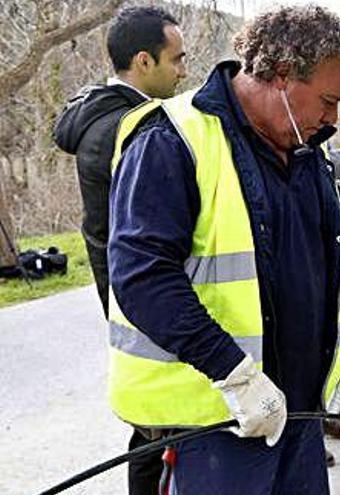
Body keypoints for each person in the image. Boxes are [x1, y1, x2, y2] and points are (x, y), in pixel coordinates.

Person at [107, 6, 340, 493]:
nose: (333, 119)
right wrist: (233, 374)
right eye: (327, 100)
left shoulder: (307, 149)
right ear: (280, 75)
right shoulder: (171, 138)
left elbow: (339, 259)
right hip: (221, 423)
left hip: (297, 414)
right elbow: (142, 276)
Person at [51, 7, 186, 494]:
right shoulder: (130, 127)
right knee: (157, 423)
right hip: (143, 290)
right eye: (177, 59)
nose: (184, 70)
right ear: (144, 61)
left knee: (158, 418)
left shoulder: (108, 115)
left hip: (125, 286)